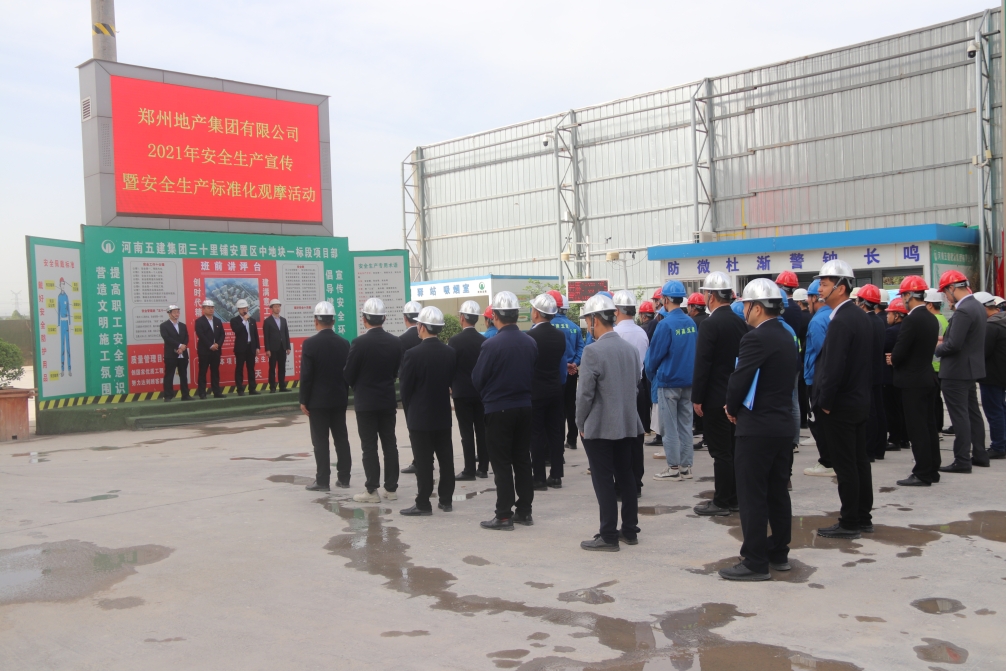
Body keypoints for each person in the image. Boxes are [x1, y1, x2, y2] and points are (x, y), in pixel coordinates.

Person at [718, 279, 799, 581]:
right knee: (777, 492)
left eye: (745, 306)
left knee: (752, 495)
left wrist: (731, 406)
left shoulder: (756, 338)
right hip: (782, 426)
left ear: (755, 307)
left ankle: (754, 560)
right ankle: (779, 551)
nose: (743, 311)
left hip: (756, 428)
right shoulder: (787, 335)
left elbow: (740, 378)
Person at [810, 259, 873, 540]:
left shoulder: (842, 320)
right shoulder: (859, 316)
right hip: (858, 400)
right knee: (859, 462)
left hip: (841, 405)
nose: (820, 289)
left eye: (824, 284)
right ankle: (862, 516)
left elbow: (834, 367)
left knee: (846, 464)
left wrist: (825, 402)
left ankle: (849, 521)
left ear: (841, 287)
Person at [576, 293, 644, 551]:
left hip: (600, 426)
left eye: (588, 321)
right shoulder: (629, 349)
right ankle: (630, 530)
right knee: (626, 475)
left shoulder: (592, 351)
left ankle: (608, 535)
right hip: (627, 424)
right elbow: (635, 385)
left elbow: (585, 394)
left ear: (595, 319)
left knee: (603, 479)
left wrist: (580, 422)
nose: (588, 326)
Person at [472, 291, 538, 530]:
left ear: (495, 316)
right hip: (524, 406)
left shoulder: (491, 345)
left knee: (501, 463)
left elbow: (478, 379)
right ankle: (525, 511)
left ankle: (503, 515)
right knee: (522, 459)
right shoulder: (530, 342)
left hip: (499, 408)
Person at [691, 271, 748, 516]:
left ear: (712, 296)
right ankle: (734, 497)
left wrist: (697, 398)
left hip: (714, 398)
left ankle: (722, 500)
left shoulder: (710, 324)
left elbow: (703, 363)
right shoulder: (740, 322)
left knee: (720, 452)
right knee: (733, 449)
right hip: (735, 396)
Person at [399, 307, 457, 516]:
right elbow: (450, 381)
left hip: (420, 415)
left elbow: (405, 389)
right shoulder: (450, 352)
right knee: (446, 458)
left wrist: (411, 410)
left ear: (422, 327)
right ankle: (446, 500)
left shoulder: (412, 354)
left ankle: (423, 502)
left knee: (423, 462)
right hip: (442, 413)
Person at [344, 297, 404, 503]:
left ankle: (371, 490)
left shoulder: (359, 343)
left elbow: (348, 373)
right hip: (387, 399)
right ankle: (391, 488)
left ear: (364, 319)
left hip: (366, 402)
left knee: (369, 446)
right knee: (390, 443)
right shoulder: (395, 342)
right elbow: (396, 371)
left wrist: (359, 386)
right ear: (384, 318)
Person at [936, 270, 990, 472]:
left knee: (960, 416)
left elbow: (954, 345)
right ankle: (980, 454)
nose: (945, 297)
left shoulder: (963, 311)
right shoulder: (976, 306)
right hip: (969, 369)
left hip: (956, 371)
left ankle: (962, 460)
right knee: (972, 414)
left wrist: (938, 347)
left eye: (945, 292)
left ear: (952, 288)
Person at [645, 280, 697, 482]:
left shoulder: (665, 325)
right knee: (685, 425)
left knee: (669, 427)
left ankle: (673, 467)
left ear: (665, 300)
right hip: (688, 382)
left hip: (668, 382)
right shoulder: (690, 323)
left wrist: (652, 377)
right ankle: (686, 466)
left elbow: (653, 358)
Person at [890, 276, 940, 486]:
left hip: (913, 382)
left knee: (917, 428)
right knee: (929, 426)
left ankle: (922, 473)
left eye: (903, 295)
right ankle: (932, 469)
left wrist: (893, 359)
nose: (903, 299)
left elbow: (900, 351)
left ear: (909, 295)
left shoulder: (911, 320)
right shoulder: (931, 318)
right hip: (927, 377)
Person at [300, 301, 352, 492]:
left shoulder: (310, 344)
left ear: (316, 321)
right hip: (338, 399)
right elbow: (347, 373)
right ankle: (344, 478)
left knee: (320, 441)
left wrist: (303, 400)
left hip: (318, 401)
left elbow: (306, 376)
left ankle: (322, 480)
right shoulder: (344, 343)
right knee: (341, 438)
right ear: (334, 321)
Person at [527, 293, 569, 490]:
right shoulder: (559, 336)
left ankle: (539, 477)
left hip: (536, 390)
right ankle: (557, 475)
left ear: (536, 313)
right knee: (555, 432)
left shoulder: (530, 336)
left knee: (536, 434)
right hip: (555, 388)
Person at [612, 289, 649, 497]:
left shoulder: (615, 333)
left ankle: (622, 483)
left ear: (616, 310)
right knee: (637, 437)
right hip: (639, 387)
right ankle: (637, 482)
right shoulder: (641, 332)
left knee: (620, 437)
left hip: (619, 390)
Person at [449, 301, 489, 480]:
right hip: (481, 392)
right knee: (482, 430)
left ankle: (469, 470)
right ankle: (483, 468)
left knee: (466, 433)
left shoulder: (455, 341)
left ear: (462, 318)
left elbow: (451, 365)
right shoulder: (484, 341)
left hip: (461, 392)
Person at [857, 284, 888, 461]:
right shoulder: (879, 321)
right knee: (879, 409)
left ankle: (868, 450)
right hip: (878, 370)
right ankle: (879, 448)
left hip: (867, 372)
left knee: (870, 412)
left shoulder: (865, 322)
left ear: (862, 302)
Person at [552, 292, 585, 451]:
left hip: (555, 373)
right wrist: (574, 364)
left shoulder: (546, 326)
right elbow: (581, 348)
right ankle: (572, 439)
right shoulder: (575, 327)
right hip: (572, 372)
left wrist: (563, 365)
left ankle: (557, 442)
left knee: (557, 408)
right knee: (571, 406)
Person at [975, 292, 1006, 460]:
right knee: (1000, 409)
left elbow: (983, 352)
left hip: (992, 375)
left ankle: (999, 446)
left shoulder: (990, 326)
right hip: (1001, 373)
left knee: (994, 411)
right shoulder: (1002, 321)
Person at [399, 301, 423, 476]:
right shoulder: (428, 335)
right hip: (429, 388)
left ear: (405, 318)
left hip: (411, 390)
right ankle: (428, 458)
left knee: (413, 427)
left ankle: (418, 460)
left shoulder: (402, 340)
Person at [882, 298, 908, 451]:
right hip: (904, 376)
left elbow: (882, 349)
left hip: (890, 376)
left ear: (897, 315)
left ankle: (895, 439)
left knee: (892, 409)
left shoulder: (891, 332)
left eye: (890, 314)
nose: (887, 316)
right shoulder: (908, 328)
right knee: (902, 408)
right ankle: (904, 438)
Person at [194, 299, 226, 399]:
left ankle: (216, 392)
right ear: (203, 309)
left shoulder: (217, 321)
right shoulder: (199, 321)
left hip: (216, 350)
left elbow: (222, 334)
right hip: (204, 351)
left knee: (215, 371)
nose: (211, 309)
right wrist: (210, 345)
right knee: (203, 372)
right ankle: (202, 393)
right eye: (208, 308)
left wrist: (218, 344)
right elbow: (201, 335)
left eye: (212, 307)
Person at [160, 305, 192, 401]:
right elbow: (167, 338)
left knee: (183, 375)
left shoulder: (182, 325)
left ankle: (185, 395)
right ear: (169, 313)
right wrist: (179, 345)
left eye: (178, 312)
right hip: (171, 354)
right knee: (169, 375)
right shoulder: (164, 325)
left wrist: (183, 347)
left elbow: (186, 337)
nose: (176, 314)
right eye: (174, 312)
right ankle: (168, 395)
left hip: (183, 353)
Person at [229, 298, 260, 396]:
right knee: (239, 368)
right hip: (240, 348)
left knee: (251, 368)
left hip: (251, 347)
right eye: (242, 308)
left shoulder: (252, 320)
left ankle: (252, 389)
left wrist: (257, 347)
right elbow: (236, 330)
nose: (244, 310)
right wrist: (244, 321)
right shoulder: (234, 320)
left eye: (245, 308)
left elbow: (255, 334)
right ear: (238, 310)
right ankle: (240, 389)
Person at [262, 298, 291, 393]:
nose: (277, 308)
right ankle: (272, 387)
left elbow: (286, 334)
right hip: (273, 349)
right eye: (275, 306)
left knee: (282, 368)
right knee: (272, 368)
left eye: (279, 306)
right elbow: (266, 336)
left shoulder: (283, 320)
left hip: (282, 347)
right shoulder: (267, 321)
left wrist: (288, 347)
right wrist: (267, 349)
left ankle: (282, 386)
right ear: (271, 308)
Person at [57, 278, 71, 377]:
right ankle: (62, 369)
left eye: (64, 284)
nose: (63, 285)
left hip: (66, 322)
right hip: (62, 323)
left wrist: (70, 323)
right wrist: (58, 324)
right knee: (62, 346)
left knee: (68, 347)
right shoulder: (59, 297)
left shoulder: (66, 296)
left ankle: (69, 369)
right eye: (61, 284)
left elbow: (69, 310)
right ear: (59, 285)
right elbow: (58, 311)